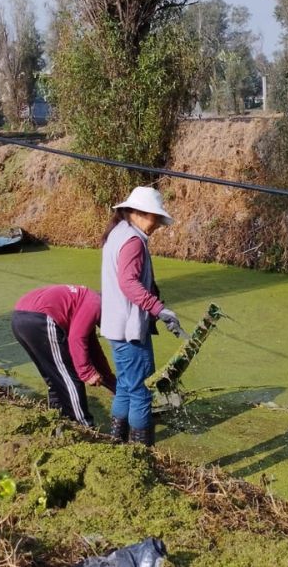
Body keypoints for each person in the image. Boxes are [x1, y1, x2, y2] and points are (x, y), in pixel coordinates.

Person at [100, 186, 187, 446]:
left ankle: (117, 442)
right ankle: (142, 451)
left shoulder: (118, 233)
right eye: (155, 217)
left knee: (126, 387)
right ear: (138, 213)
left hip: (115, 327)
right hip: (129, 330)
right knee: (140, 392)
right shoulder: (133, 242)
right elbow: (128, 283)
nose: (158, 224)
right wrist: (158, 309)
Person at [11, 284, 115, 426]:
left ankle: (57, 422)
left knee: (55, 378)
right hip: (40, 318)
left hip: (19, 317)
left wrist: (111, 384)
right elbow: (76, 339)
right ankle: (84, 426)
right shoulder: (95, 303)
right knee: (70, 380)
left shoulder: (85, 303)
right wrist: (86, 373)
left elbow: (92, 349)